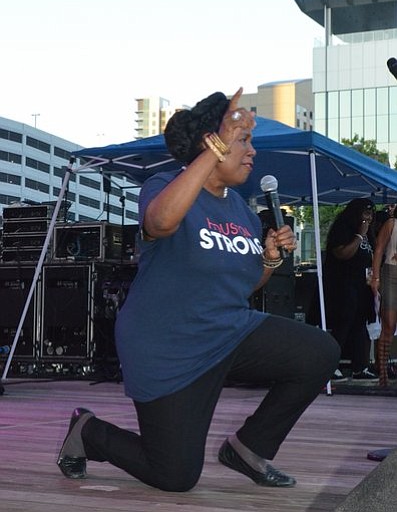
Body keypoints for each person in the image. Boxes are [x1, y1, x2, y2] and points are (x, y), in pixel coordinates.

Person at [57, 88, 340, 492]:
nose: (252, 152)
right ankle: (87, 433)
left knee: (320, 351)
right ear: (214, 143)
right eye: (242, 141)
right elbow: (160, 224)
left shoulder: (241, 209)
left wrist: (270, 259)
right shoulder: (163, 185)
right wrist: (217, 146)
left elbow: (245, 284)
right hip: (168, 346)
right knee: (174, 475)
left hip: (228, 333)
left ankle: (248, 447)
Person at [323, 198, 377, 381]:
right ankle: (330, 365)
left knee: (360, 326)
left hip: (362, 285)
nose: (368, 218)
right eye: (365, 213)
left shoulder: (369, 233)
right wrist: (360, 235)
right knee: (342, 325)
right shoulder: (344, 229)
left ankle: (360, 367)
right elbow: (343, 253)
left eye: (371, 214)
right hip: (343, 285)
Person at [370, 205, 397, 386]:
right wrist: (376, 277)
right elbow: (379, 248)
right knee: (388, 322)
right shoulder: (392, 223)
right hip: (391, 272)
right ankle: (382, 374)